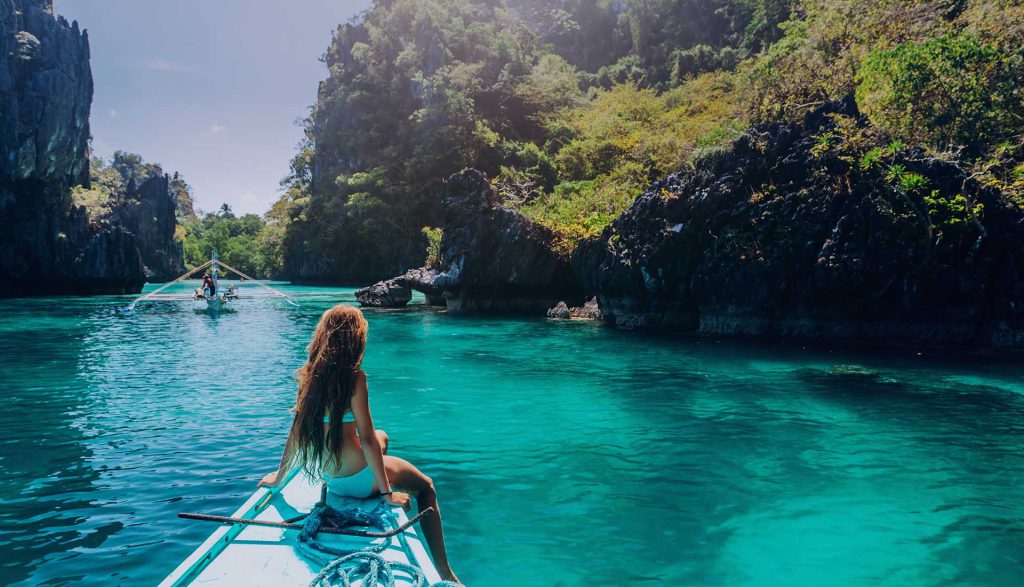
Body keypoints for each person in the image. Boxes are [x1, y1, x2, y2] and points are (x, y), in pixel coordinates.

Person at [258, 304, 459, 583]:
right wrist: (388, 494)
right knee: (425, 486)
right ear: (356, 339)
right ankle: (445, 570)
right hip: (359, 480)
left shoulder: (307, 375)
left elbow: (295, 433)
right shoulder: (355, 378)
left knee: (383, 437)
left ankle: (378, 480)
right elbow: (366, 438)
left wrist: (279, 478)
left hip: (333, 479)